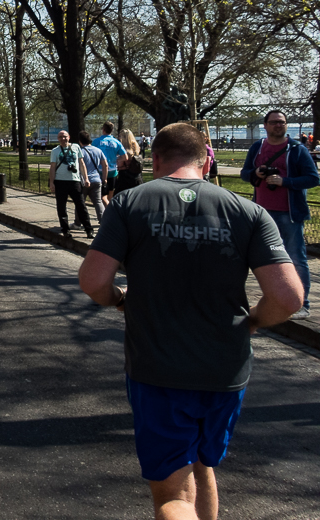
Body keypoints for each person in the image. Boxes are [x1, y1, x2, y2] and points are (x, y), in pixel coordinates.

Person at [79, 123, 302, 520]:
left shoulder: (129, 204)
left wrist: (117, 300)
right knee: (203, 465)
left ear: (156, 159)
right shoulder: (249, 212)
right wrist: (251, 322)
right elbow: (288, 297)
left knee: (173, 496)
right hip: (225, 369)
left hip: (158, 368)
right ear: (206, 160)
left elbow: (94, 281)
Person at [240, 110, 319, 320]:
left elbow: (313, 178)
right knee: (257, 257)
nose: (279, 125)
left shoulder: (297, 150)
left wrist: (286, 182)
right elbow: (244, 173)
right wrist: (255, 174)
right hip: (261, 212)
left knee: (295, 257)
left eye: (282, 122)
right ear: (265, 125)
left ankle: (302, 304)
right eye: (274, 122)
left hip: (289, 214)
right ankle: (270, 299)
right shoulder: (258, 147)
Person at [49, 130, 94, 238]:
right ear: (58, 139)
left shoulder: (76, 147)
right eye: (60, 137)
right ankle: (65, 230)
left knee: (81, 206)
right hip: (60, 181)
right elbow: (53, 167)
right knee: (61, 207)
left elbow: (82, 164)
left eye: (64, 136)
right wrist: (52, 182)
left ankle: (88, 229)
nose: (62, 139)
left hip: (75, 181)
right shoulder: (55, 151)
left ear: (69, 137)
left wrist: (86, 178)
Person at [76, 130, 107, 224]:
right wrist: (104, 178)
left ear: (80, 141)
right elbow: (105, 165)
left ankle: (78, 222)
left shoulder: (80, 152)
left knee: (80, 203)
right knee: (98, 202)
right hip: (96, 179)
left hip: (83, 181)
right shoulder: (98, 150)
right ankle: (103, 221)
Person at [93, 122, 127, 203]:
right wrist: (116, 159)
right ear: (111, 130)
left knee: (102, 196)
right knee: (110, 193)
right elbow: (125, 157)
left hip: (100, 171)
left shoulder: (96, 142)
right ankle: (110, 208)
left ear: (103, 130)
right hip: (112, 171)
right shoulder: (116, 142)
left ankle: (106, 211)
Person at [113, 128, 144, 195]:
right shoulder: (136, 148)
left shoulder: (124, 151)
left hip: (125, 179)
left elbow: (119, 166)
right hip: (137, 177)